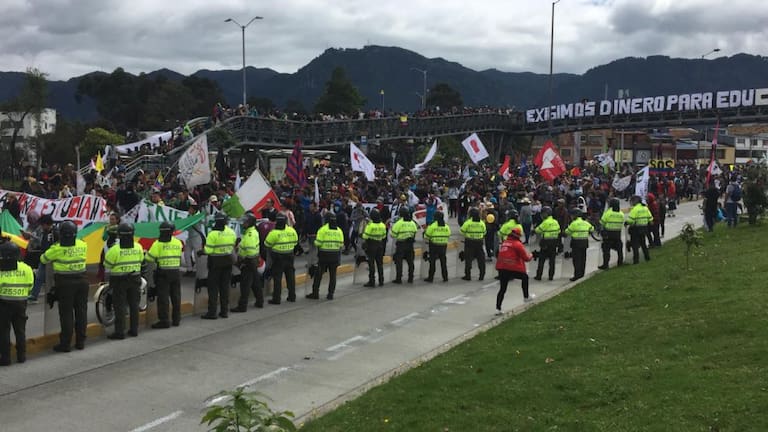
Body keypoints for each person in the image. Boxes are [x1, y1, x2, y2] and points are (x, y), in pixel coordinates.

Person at [40, 220, 89, 351]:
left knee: (66, 314)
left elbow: (43, 259)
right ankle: (80, 342)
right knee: (81, 312)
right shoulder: (82, 244)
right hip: (82, 281)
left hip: (65, 283)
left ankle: (65, 344)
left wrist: (54, 245)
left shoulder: (57, 249)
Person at [104, 223, 144, 339]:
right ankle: (134, 330)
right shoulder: (138, 247)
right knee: (134, 305)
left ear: (119, 235)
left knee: (120, 307)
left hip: (119, 281)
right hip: (135, 278)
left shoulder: (114, 250)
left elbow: (107, 264)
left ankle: (120, 332)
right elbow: (141, 260)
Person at [0, 242, 34, 366]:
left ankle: (5, 358)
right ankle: (21, 356)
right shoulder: (26, 268)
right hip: (21, 303)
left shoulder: (1, 268)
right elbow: (30, 286)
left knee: (4, 331)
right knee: (20, 330)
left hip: (4, 303)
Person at [144, 221, 183, 328]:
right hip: (176, 272)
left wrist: (146, 253)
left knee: (163, 298)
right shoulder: (178, 242)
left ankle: (164, 321)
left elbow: (149, 258)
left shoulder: (158, 244)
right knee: (176, 296)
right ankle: (176, 319)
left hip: (163, 273)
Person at [199, 213, 236, 319]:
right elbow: (233, 245)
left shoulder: (212, 234)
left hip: (215, 263)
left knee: (213, 288)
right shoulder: (231, 232)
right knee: (225, 287)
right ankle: (224, 311)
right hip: (228, 262)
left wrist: (201, 252)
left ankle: (212, 312)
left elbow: (208, 250)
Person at [495, 227, 533, 315]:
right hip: (512, 267)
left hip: (501, 268)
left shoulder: (505, 243)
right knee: (525, 277)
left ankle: (498, 308)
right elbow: (526, 258)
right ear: (518, 236)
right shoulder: (517, 244)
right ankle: (526, 297)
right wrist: (531, 255)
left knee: (502, 289)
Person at [231, 212, 263, 312]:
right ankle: (260, 301)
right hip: (252, 261)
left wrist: (244, 261)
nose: (243, 224)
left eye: (245, 222)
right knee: (255, 282)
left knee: (245, 284)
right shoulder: (252, 232)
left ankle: (242, 306)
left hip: (248, 261)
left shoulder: (250, 234)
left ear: (249, 223)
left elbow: (250, 251)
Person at [308, 213, 344, 300]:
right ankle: (330, 294)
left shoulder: (322, 230)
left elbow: (318, 243)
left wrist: (315, 242)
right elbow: (341, 244)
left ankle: (315, 293)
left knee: (319, 274)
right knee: (333, 275)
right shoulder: (339, 230)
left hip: (324, 256)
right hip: (335, 256)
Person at [265, 213, 299, 304]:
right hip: (290, 256)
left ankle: (276, 299)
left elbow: (267, 244)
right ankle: (292, 296)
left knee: (277, 278)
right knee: (290, 277)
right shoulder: (291, 230)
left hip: (278, 257)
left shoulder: (273, 233)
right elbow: (296, 242)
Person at [564, 208, 594, 281]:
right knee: (583, 259)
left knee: (576, 260)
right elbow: (592, 229)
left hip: (576, 243)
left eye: (572, 215)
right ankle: (582, 274)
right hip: (584, 242)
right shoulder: (585, 222)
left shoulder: (573, 223)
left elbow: (567, 232)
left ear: (575, 215)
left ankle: (577, 275)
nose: (571, 217)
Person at [390, 208, 418, 284]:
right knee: (410, 262)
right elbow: (415, 232)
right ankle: (410, 278)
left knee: (399, 262)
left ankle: (398, 278)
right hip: (410, 245)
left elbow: (393, 235)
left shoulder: (398, 223)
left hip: (401, 244)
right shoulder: (412, 223)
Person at [533, 206, 561, 281]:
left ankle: (539, 276)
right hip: (554, 243)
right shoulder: (555, 222)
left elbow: (538, 230)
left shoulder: (545, 222)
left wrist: (534, 230)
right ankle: (551, 276)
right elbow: (559, 231)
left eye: (542, 214)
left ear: (545, 214)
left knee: (541, 260)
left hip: (545, 242)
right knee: (552, 261)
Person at [598, 198, 625, 269]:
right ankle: (620, 262)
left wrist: (602, 231)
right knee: (619, 249)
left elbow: (602, 223)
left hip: (608, 234)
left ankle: (605, 265)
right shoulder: (621, 214)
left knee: (606, 250)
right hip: (617, 234)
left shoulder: (608, 213)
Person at [424, 211, 451, 283]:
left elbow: (426, 236)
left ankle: (430, 278)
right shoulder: (446, 226)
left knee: (432, 262)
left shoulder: (432, 226)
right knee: (443, 262)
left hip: (434, 246)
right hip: (443, 246)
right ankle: (445, 277)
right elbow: (449, 234)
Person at [460, 207, 486, 281]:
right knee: (481, 259)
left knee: (468, 259)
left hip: (469, 242)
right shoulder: (482, 223)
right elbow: (484, 232)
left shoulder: (468, 223)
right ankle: (482, 275)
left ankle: (468, 275)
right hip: (479, 242)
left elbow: (462, 231)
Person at [362, 209, 386, 287]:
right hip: (380, 245)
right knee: (380, 264)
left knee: (371, 263)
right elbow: (384, 236)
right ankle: (381, 280)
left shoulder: (370, 225)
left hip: (371, 245)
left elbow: (365, 236)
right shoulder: (382, 225)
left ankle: (372, 281)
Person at [627, 195, 653, 264]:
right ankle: (647, 257)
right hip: (644, 228)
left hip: (636, 229)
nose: (631, 203)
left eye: (631, 201)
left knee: (635, 245)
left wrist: (627, 222)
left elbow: (630, 220)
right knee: (643, 244)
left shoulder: (635, 209)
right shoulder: (645, 208)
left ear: (635, 201)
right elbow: (650, 218)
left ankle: (636, 260)